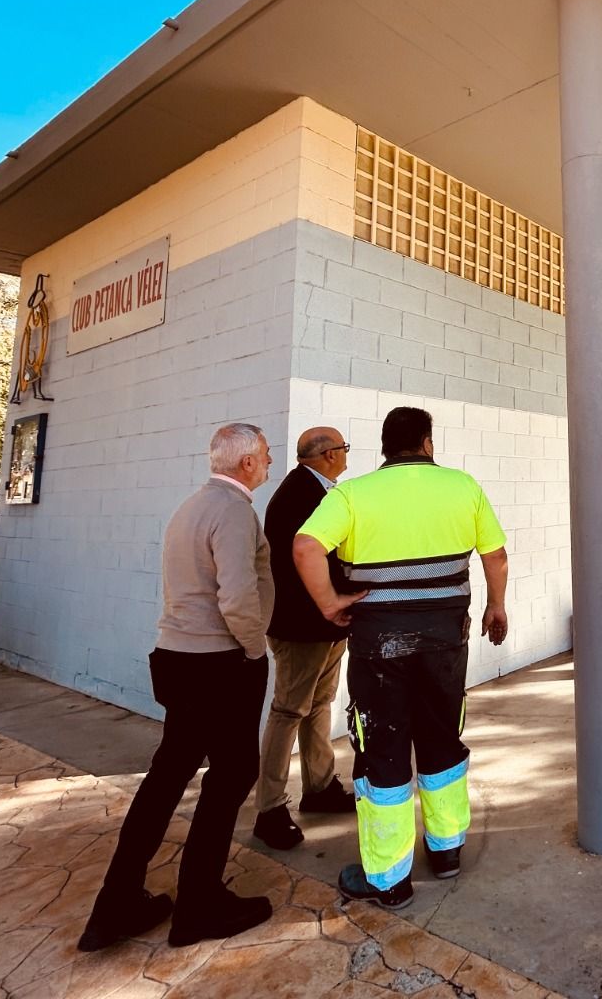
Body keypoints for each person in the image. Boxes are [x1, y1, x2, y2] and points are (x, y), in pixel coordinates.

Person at [293, 405, 508, 910]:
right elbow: (494, 556)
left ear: (385, 447)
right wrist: (496, 606)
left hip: (379, 648)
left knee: (384, 750)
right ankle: (447, 848)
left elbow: (305, 547)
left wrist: (329, 604)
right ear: (427, 443)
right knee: (441, 738)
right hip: (445, 645)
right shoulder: (463, 487)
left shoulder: (353, 493)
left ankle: (389, 877)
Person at [79, 422, 276, 951]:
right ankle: (199, 905)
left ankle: (115, 901)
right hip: (219, 662)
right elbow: (236, 597)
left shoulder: (190, 506)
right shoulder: (234, 510)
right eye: (266, 455)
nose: (270, 463)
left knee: (168, 775)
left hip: (177, 658)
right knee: (233, 774)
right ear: (247, 463)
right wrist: (255, 650)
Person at [252, 426, 358, 850]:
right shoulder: (301, 495)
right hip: (302, 628)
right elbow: (305, 562)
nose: (347, 454)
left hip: (325, 624)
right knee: (288, 710)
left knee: (319, 704)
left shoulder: (316, 492)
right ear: (328, 455)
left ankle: (320, 786)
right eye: (344, 448)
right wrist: (334, 602)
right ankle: (270, 807)